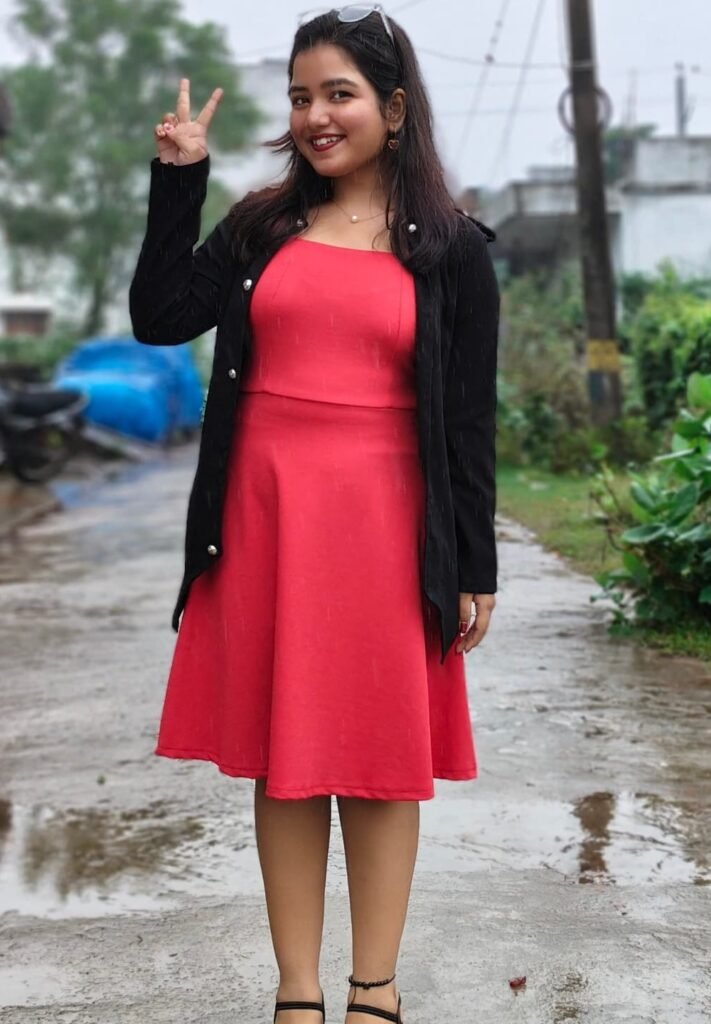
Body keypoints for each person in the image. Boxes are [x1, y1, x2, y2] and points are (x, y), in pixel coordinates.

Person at [129, 6, 500, 1024]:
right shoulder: (261, 225)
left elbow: (470, 419)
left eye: (337, 94)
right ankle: (297, 994)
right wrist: (179, 177)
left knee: (379, 761)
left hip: (390, 529)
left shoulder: (453, 249)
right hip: (266, 521)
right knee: (286, 759)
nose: (315, 116)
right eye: (300, 97)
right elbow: (159, 317)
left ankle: (373, 990)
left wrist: (477, 564)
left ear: (392, 105)